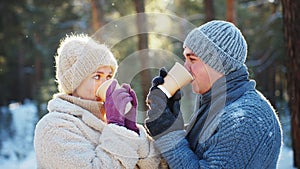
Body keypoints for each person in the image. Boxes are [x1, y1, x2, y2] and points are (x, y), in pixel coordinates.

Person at [145, 20, 282, 168]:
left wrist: (167, 132)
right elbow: (202, 150)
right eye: (185, 58)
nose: (186, 67)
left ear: (218, 64)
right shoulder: (216, 103)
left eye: (192, 59)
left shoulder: (245, 118)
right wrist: (170, 119)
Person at [34, 34, 166, 169]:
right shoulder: (53, 126)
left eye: (109, 76)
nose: (106, 84)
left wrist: (132, 130)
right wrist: (117, 128)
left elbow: (158, 166)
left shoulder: (106, 121)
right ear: (74, 83)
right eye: (97, 76)